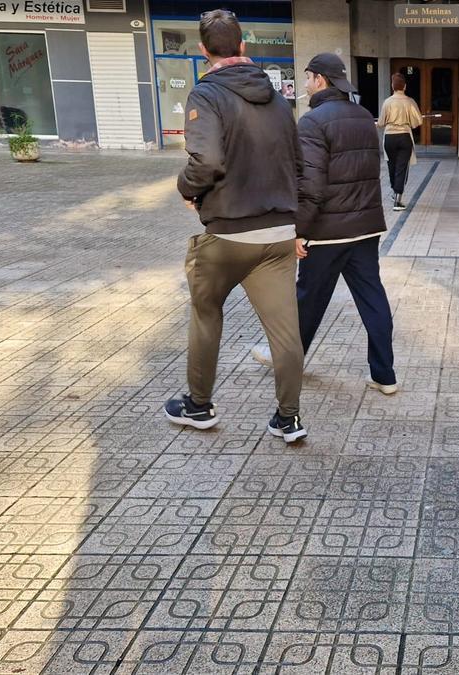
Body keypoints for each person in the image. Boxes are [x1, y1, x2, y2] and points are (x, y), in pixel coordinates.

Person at [164, 9, 308, 443]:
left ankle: (199, 405)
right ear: (243, 47)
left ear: (204, 51)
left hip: (227, 234)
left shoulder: (206, 96)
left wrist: (187, 189)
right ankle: (289, 419)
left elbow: (206, 160)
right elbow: (299, 165)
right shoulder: (280, 100)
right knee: (285, 332)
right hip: (279, 234)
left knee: (206, 313)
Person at [251, 53, 398, 396]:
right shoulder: (364, 117)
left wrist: (298, 230)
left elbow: (310, 186)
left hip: (328, 233)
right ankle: (385, 375)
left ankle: (283, 357)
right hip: (366, 228)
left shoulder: (313, 122)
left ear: (319, 80)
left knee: (307, 298)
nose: (304, 84)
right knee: (372, 298)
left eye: (306, 77)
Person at [376, 73, 423, 211]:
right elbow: (418, 121)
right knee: (402, 167)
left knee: (392, 165)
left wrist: (379, 123)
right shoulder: (410, 101)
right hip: (404, 137)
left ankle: (395, 191)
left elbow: (381, 122)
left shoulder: (387, 102)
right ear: (405, 86)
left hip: (389, 137)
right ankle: (398, 199)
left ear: (393, 86)